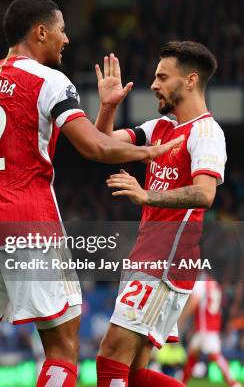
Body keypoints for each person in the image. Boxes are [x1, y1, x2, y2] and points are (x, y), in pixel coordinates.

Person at [0, 0, 182, 387]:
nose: (66, 39)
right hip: (30, 221)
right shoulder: (49, 81)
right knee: (62, 349)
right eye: (61, 31)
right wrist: (148, 150)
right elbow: (94, 147)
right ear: (40, 31)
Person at [94, 41, 227, 387]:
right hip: (148, 257)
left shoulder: (207, 132)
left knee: (109, 356)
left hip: (166, 262)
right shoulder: (159, 128)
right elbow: (103, 143)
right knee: (133, 373)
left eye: (162, 77)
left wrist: (146, 194)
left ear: (190, 81)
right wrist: (107, 108)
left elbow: (205, 194)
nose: (153, 84)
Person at [179, 273, 241, 386]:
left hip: (205, 327)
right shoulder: (213, 283)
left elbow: (194, 302)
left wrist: (182, 317)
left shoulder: (201, 283)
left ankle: (233, 383)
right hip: (210, 324)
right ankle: (182, 383)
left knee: (215, 355)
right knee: (193, 354)